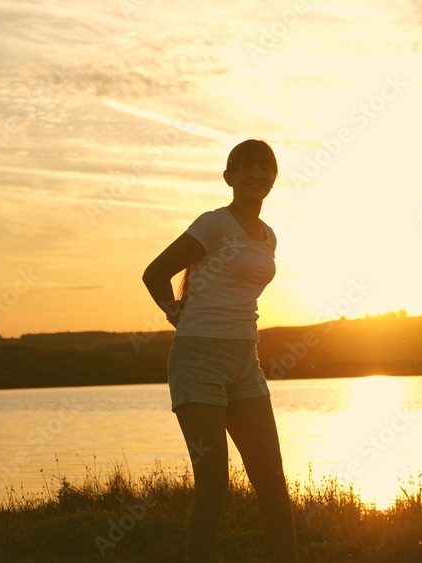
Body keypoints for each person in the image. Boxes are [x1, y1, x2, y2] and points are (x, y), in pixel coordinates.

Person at [142, 139, 298, 562]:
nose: (255, 175)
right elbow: (155, 273)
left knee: (271, 482)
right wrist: (174, 311)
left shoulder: (268, 237)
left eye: (264, 168)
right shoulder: (214, 224)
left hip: (247, 362)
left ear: (273, 178)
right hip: (199, 360)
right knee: (213, 486)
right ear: (228, 177)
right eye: (244, 167)